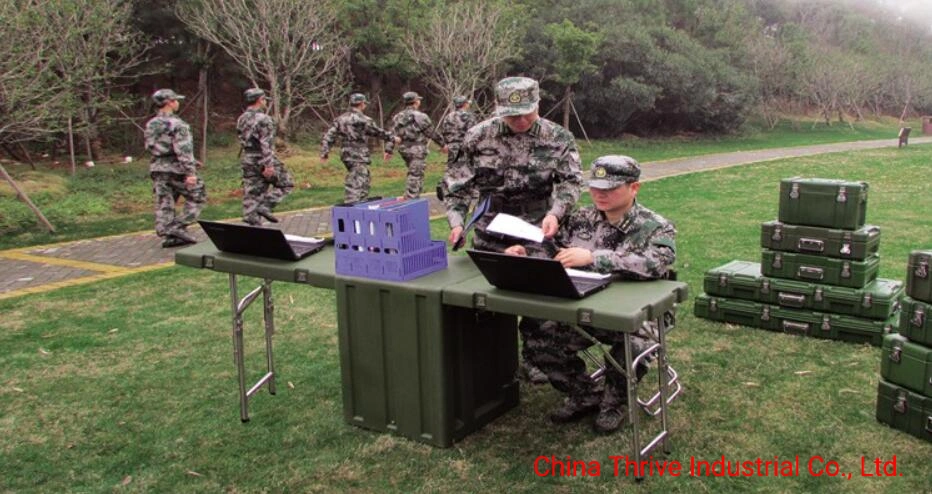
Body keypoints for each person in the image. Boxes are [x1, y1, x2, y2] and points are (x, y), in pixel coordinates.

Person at [504, 155, 677, 434]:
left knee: (631, 345)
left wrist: (594, 257)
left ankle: (613, 403)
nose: (599, 194)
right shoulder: (582, 218)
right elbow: (555, 248)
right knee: (538, 334)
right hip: (585, 305)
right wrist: (526, 253)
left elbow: (655, 263)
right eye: (595, 187)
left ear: (634, 188)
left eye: (609, 188)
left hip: (640, 313)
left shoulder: (654, 226)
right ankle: (584, 393)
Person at [444, 76, 584, 384]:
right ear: (497, 108)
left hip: (537, 229)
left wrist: (556, 213)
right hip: (489, 231)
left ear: (538, 105)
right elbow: (457, 187)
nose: (520, 120)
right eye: (512, 114)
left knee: (536, 300)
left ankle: (534, 359)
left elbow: (571, 182)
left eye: (526, 113)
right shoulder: (476, 137)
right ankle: (489, 361)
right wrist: (456, 224)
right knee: (485, 300)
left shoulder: (558, 137)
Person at [144, 89, 205, 248]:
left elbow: (152, 147)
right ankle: (177, 226)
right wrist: (190, 172)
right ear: (170, 102)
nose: (178, 103)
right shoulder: (178, 124)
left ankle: (168, 233)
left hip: (158, 167)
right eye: (176, 100)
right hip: (176, 168)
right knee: (197, 194)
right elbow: (183, 149)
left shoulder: (151, 124)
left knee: (165, 201)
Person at [321, 93, 400, 204]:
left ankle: (362, 204)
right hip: (358, 154)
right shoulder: (364, 119)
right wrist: (392, 138)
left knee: (363, 179)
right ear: (362, 104)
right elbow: (377, 132)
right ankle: (352, 206)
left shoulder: (340, 119)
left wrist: (325, 152)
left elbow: (329, 136)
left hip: (346, 154)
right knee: (356, 181)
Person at [236, 88, 294, 225]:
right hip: (262, 158)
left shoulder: (241, 118)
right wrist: (269, 165)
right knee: (286, 183)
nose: (265, 103)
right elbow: (266, 143)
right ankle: (266, 206)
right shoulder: (264, 119)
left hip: (248, 158)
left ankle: (252, 221)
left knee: (253, 192)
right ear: (260, 100)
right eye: (264, 100)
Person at [384, 91, 444, 199]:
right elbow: (430, 132)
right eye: (418, 100)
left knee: (415, 172)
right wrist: (442, 144)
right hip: (417, 149)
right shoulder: (420, 116)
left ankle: (410, 195)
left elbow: (392, 133)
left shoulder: (398, 116)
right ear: (415, 102)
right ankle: (412, 199)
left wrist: (388, 149)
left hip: (404, 149)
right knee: (415, 175)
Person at [437, 95, 478, 200]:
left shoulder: (448, 116)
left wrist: (447, 143)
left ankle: (445, 186)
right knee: (468, 166)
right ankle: (470, 190)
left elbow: (444, 131)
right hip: (464, 144)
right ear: (464, 104)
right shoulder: (469, 116)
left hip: (452, 145)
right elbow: (474, 131)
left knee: (452, 165)